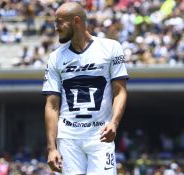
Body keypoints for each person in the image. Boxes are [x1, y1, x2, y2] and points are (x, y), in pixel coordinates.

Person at [42, 2, 128, 175]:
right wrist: (51, 148)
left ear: (76, 21)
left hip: (100, 135)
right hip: (68, 137)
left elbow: (120, 92)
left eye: (60, 22)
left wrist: (114, 123)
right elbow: (51, 105)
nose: (56, 28)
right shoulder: (55, 58)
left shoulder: (111, 48)